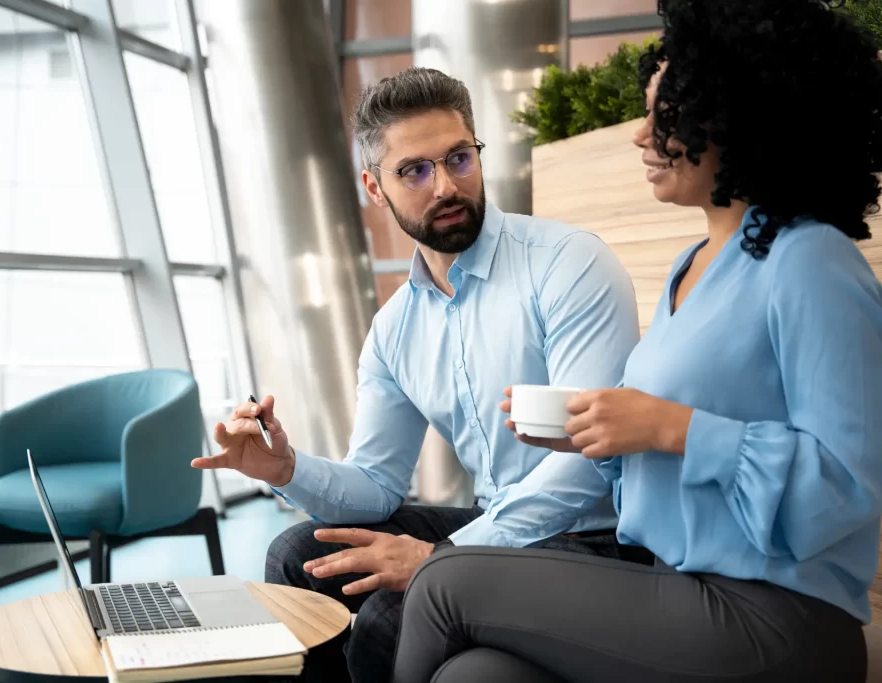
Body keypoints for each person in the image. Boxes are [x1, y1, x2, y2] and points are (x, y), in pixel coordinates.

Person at [390, 1, 882, 682]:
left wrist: (670, 426)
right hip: (679, 583)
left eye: (667, 114)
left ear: (742, 115)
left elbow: (848, 491)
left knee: (444, 583)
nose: (640, 135)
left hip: (781, 614)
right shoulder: (692, 266)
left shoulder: (813, 261)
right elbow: (681, 461)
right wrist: (604, 437)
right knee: (477, 674)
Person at [192, 67, 641, 681]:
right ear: (375, 188)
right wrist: (285, 470)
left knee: (387, 614)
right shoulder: (395, 329)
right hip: (501, 526)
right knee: (299, 553)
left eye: (459, 158)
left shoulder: (567, 265)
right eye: (414, 171)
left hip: (596, 540)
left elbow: (589, 464)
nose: (446, 186)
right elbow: (377, 483)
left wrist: (443, 558)